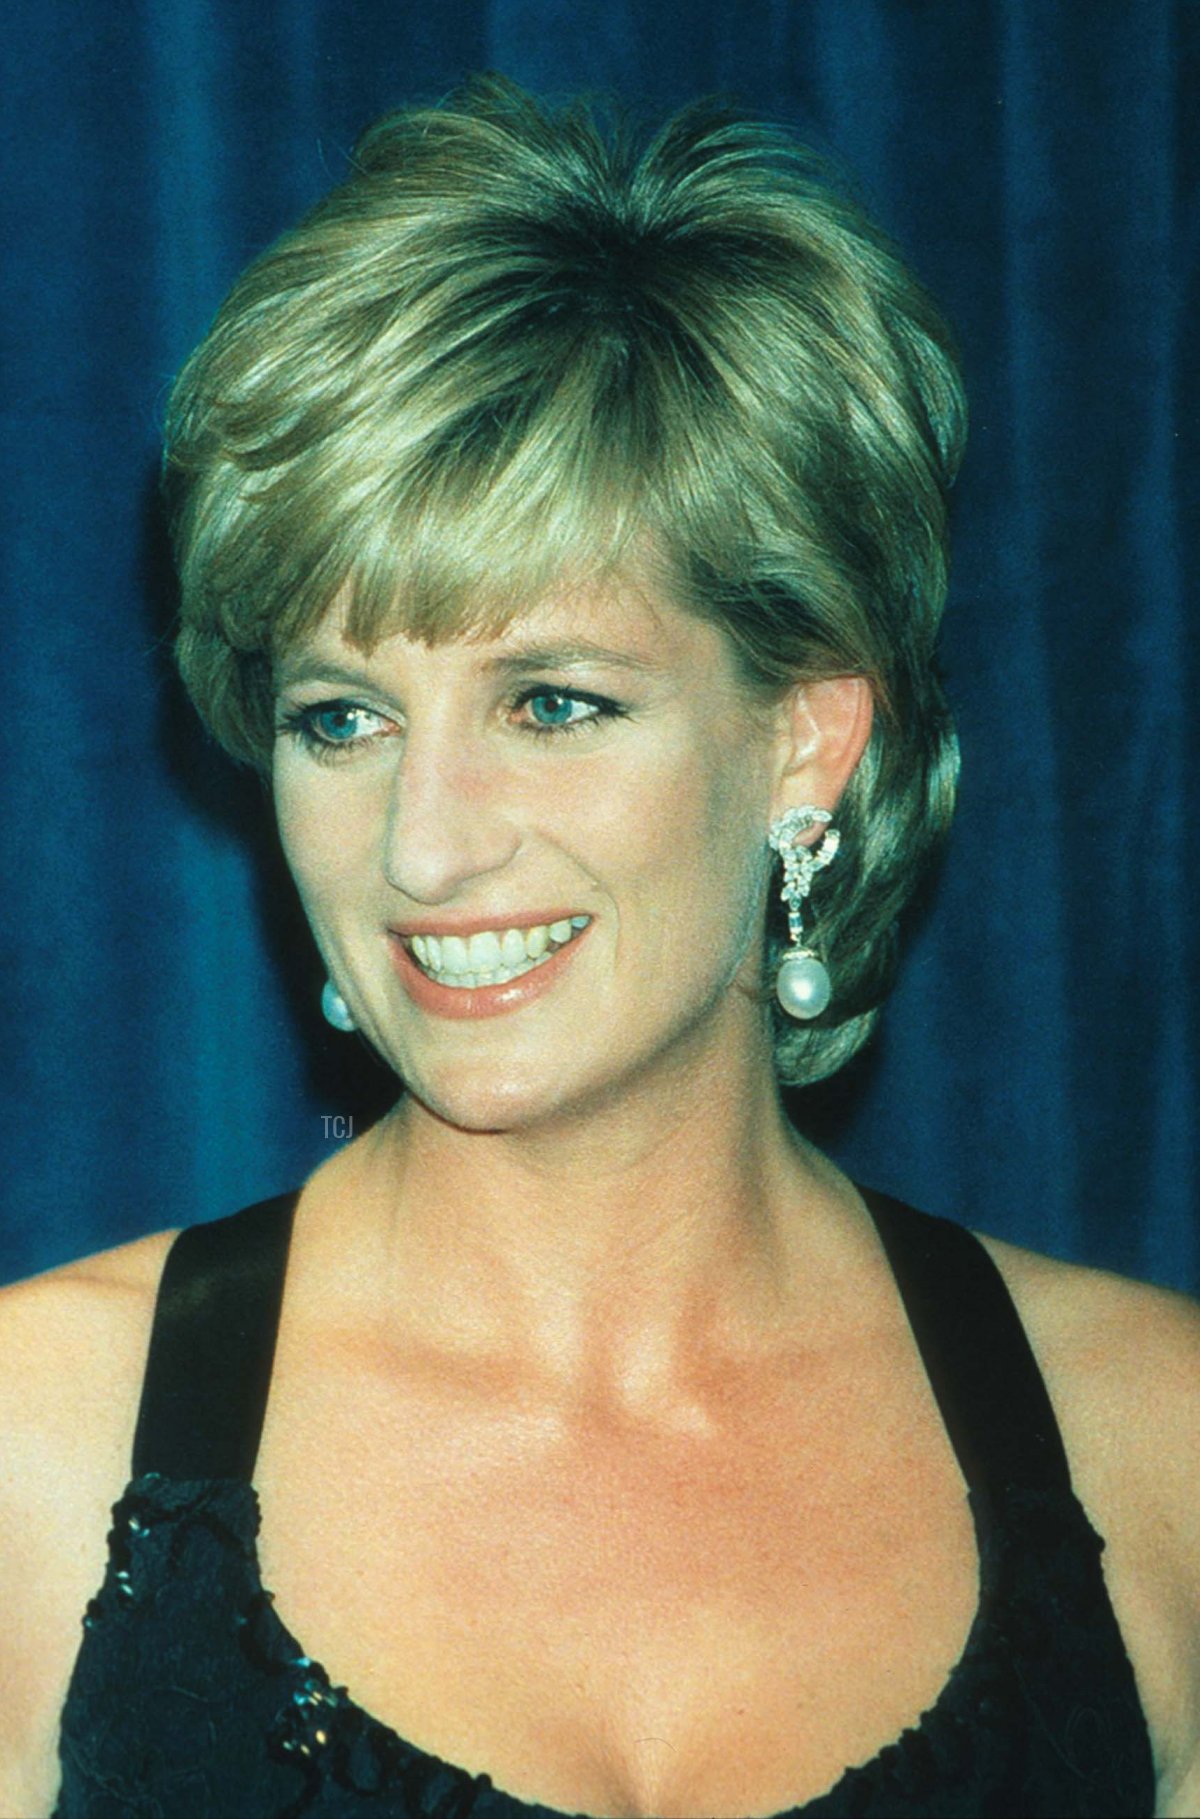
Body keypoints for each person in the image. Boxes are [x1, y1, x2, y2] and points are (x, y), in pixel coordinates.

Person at [1, 73, 1196, 1819]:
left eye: (551, 702)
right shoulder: (36, 1452)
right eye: (341, 720)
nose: (422, 843)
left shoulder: (1161, 1448)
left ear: (808, 734)